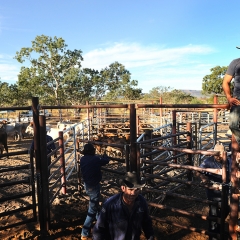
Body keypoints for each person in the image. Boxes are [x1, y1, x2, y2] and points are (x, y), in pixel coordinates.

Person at [92, 171, 154, 240]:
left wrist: (150, 237)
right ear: (123, 188)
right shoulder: (110, 204)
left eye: (137, 190)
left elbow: (146, 222)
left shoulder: (142, 202)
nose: (133, 193)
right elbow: (99, 229)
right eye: (130, 189)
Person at [195, 143, 230, 240]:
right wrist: (203, 177)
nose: (218, 157)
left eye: (220, 154)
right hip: (213, 193)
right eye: (216, 154)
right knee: (214, 212)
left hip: (225, 192)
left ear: (224, 153)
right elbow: (197, 171)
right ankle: (213, 234)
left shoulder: (229, 161)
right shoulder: (208, 161)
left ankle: (219, 227)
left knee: (226, 209)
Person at [80, 143, 109, 240]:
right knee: (92, 210)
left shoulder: (82, 159)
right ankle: (84, 232)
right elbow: (106, 161)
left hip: (87, 185)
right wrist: (106, 156)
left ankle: (100, 222)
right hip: (94, 186)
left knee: (95, 205)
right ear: (93, 151)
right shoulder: (95, 159)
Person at [222, 49, 240, 145]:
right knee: (233, 125)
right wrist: (229, 98)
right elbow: (225, 82)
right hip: (238, 99)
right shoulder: (235, 63)